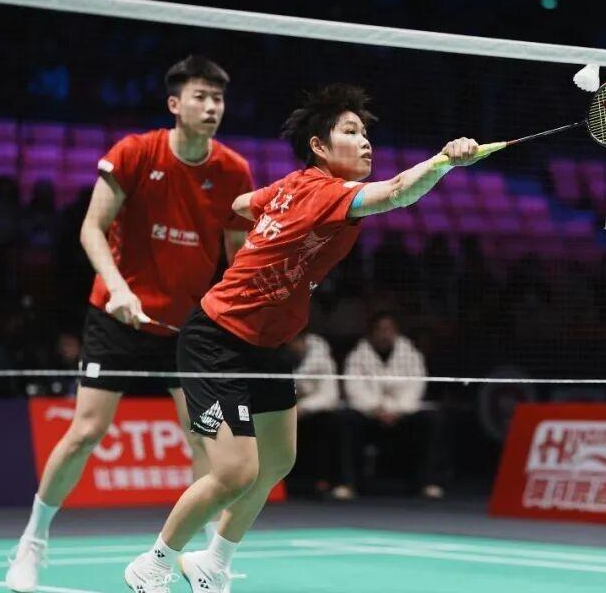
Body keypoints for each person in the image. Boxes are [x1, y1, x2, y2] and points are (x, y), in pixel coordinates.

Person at [121, 83, 482, 592]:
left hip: (266, 346)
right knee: (235, 472)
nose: (365, 142)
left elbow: (241, 203)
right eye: (351, 132)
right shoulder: (325, 192)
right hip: (218, 340)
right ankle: (153, 564)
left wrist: (250, 243)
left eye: (366, 133)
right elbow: (399, 192)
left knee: (278, 460)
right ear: (319, 145)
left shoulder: (291, 186)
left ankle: (213, 563)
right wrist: (445, 160)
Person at [6, 55, 253, 593]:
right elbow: (92, 228)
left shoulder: (233, 170)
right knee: (86, 432)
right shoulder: (136, 153)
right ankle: (32, 542)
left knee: (203, 441)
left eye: (218, 99)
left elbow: (236, 253)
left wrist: (238, 311)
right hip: (118, 315)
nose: (212, 107)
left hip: (186, 326)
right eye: (200, 97)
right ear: (174, 104)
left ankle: (200, 560)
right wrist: (118, 288)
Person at [343, 312, 451, 499]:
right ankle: (347, 483)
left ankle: (428, 482)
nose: (384, 334)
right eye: (380, 330)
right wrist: (375, 409)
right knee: (345, 419)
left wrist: (397, 410)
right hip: (370, 414)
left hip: (403, 414)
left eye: (389, 329)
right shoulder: (357, 356)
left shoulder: (412, 355)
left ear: (396, 332)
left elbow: (416, 386)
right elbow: (353, 387)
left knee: (434, 419)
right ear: (371, 333)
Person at [284, 331, 355, 498]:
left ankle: (334, 482)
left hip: (312, 413)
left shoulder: (322, 359)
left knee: (334, 422)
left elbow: (330, 396)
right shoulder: (278, 356)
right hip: (284, 412)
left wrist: (302, 408)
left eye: (292, 340)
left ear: (301, 339)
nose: (289, 345)